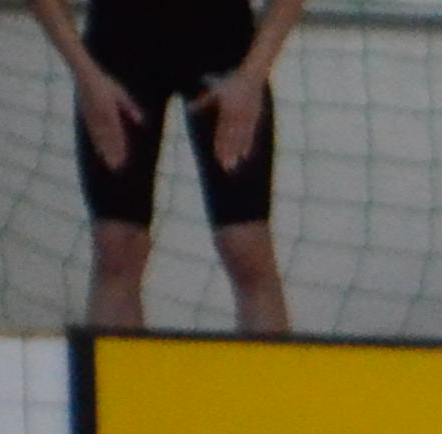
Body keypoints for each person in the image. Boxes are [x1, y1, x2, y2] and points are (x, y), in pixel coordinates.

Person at [26, 0, 301, 335]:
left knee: (246, 245)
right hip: (122, 46)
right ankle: (120, 384)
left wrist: (252, 76)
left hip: (221, 43)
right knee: (116, 246)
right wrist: (86, 75)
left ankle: (269, 385)